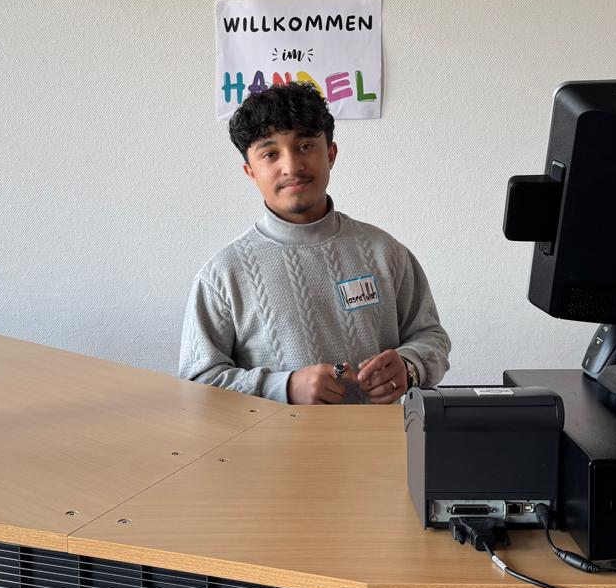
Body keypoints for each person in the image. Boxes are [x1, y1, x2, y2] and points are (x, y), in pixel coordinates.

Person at [179, 81, 451, 404]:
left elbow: (431, 336)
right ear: (250, 171)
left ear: (331, 154)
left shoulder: (386, 252)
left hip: (384, 436)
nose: (291, 167)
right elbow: (198, 384)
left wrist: (409, 366)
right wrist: (282, 386)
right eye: (270, 154)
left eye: (306, 145)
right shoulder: (222, 276)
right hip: (274, 439)